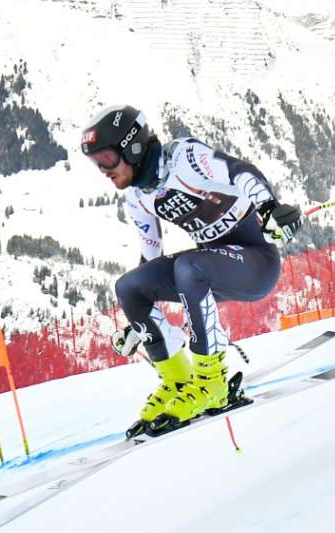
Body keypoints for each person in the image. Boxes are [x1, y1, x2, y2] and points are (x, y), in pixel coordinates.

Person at [80, 104, 302, 437]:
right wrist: (139, 325)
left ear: (132, 145)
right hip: (209, 269)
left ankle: (212, 381)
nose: (104, 171)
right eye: (96, 164)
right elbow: (151, 259)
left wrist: (269, 206)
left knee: (189, 266)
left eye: (107, 160)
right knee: (129, 287)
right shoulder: (138, 198)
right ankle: (178, 379)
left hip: (255, 263)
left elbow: (240, 171)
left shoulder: (184, 158)